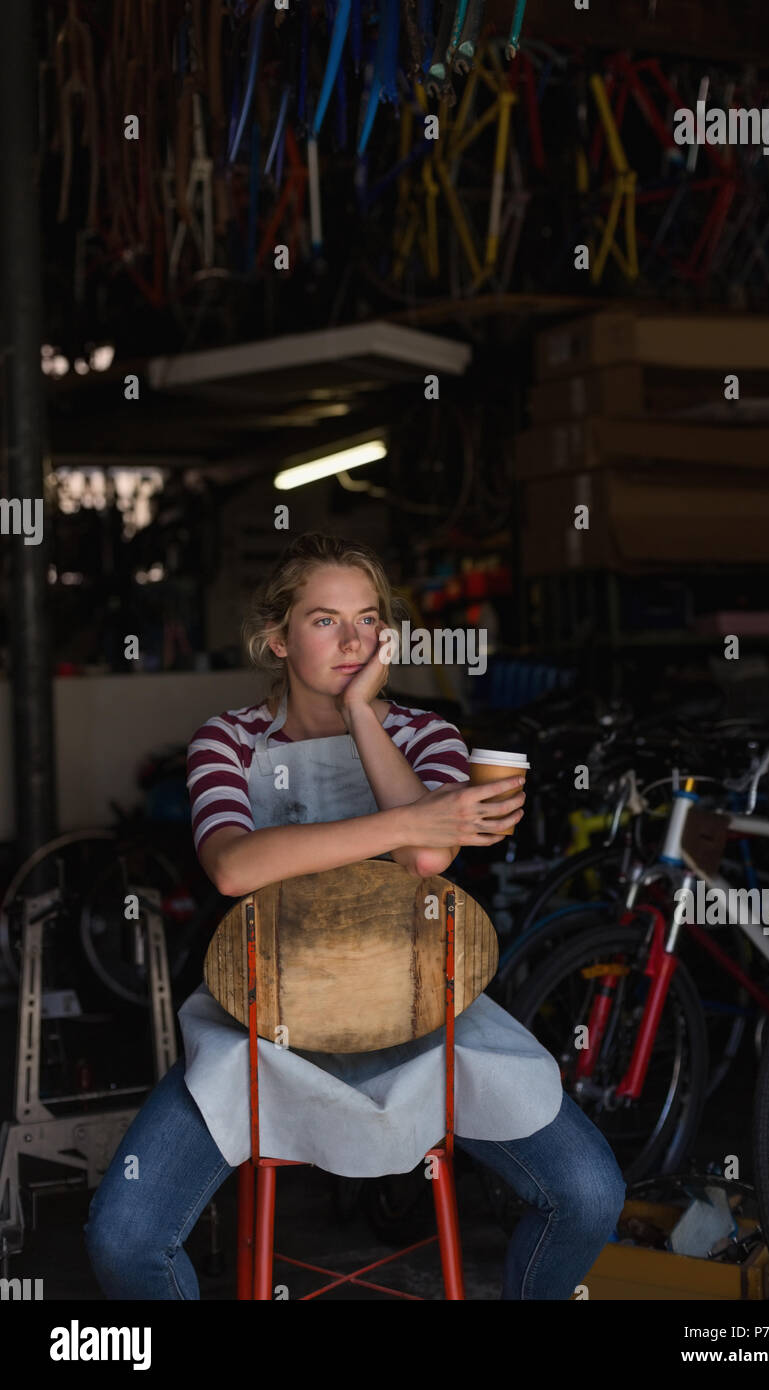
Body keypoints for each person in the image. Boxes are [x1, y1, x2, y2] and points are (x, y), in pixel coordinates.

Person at [84, 532, 625, 1300]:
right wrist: (412, 824)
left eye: (368, 620)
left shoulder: (426, 734)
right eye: (324, 620)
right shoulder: (228, 740)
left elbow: (426, 863)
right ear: (276, 637)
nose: (353, 640)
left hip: (421, 1014)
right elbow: (235, 865)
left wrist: (364, 713)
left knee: (589, 1194)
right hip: (261, 1020)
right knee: (125, 1238)